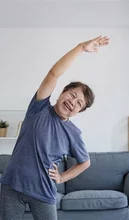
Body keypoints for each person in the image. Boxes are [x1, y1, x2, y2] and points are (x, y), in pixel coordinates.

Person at [0, 35, 110, 220]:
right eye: (72, 95)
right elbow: (53, 74)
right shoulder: (39, 108)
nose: (73, 102)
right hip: (12, 185)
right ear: (61, 93)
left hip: (43, 192)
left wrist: (61, 178)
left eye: (79, 103)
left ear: (79, 111)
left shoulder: (73, 133)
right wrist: (81, 47)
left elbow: (85, 162)